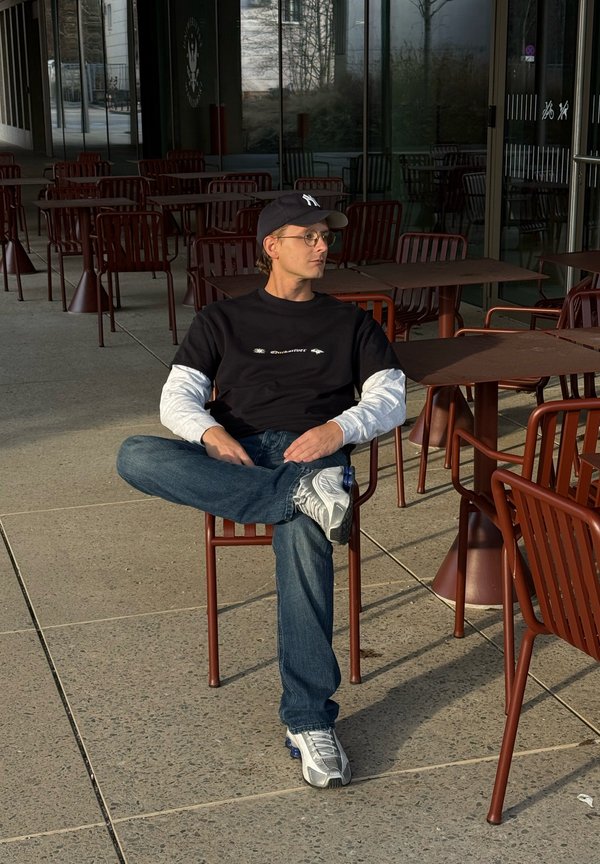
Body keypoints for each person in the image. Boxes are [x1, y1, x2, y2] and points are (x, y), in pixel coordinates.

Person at [117, 191, 406, 789]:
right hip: (242, 456)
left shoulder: (351, 322)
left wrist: (336, 429)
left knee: (304, 546)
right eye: (310, 236)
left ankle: (307, 721)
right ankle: (296, 495)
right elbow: (177, 399)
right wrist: (211, 433)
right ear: (272, 245)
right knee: (135, 454)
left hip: (314, 451)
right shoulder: (222, 318)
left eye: (327, 235)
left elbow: (389, 397)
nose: (324, 245)